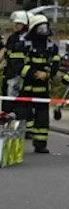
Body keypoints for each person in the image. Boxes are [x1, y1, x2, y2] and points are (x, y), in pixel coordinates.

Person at [16, 14, 53, 154]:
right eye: (40, 28)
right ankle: (17, 144)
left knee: (42, 118)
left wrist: (47, 74)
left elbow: (55, 64)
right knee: (21, 115)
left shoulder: (50, 46)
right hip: (26, 87)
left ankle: (40, 144)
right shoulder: (23, 44)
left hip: (43, 89)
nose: (43, 31)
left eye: (45, 27)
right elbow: (18, 65)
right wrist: (33, 73)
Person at [4, 9, 28, 105]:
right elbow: (6, 51)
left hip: (21, 71)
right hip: (10, 71)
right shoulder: (12, 37)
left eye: (19, 24)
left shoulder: (28, 38)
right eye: (15, 23)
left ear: (24, 25)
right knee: (10, 94)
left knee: (17, 95)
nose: (15, 25)